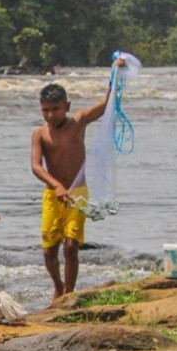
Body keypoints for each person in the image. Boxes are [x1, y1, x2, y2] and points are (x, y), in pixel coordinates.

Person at [30, 59, 125, 303]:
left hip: (77, 192)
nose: (51, 115)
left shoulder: (78, 121)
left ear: (67, 106)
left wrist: (114, 73)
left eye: (56, 109)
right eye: (45, 110)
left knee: (71, 246)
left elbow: (106, 106)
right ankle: (58, 285)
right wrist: (56, 185)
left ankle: (68, 293)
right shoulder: (40, 134)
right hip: (53, 195)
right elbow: (36, 167)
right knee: (49, 250)